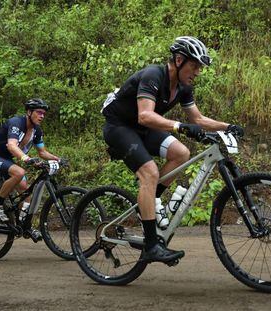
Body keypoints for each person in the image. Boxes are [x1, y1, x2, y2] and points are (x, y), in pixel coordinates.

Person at [101, 36, 244, 264]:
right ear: (179, 60)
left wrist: (228, 126)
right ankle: (150, 246)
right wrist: (179, 126)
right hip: (120, 127)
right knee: (149, 173)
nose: (198, 72)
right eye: (194, 66)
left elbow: (197, 118)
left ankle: (148, 204)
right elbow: (145, 115)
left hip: (143, 129)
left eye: (200, 68)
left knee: (181, 153)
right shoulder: (153, 75)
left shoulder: (184, 87)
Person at [0, 98, 60, 242]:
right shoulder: (16, 123)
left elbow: (42, 152)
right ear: (29, 112)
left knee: (26, 194)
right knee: (19, 172)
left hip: (7, 160)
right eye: (39, 112)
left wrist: (57, 159)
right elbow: (11, 145)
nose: (42, 116)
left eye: (44, 113)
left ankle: (23, 225)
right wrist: (27, 159)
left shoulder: (36, 130)